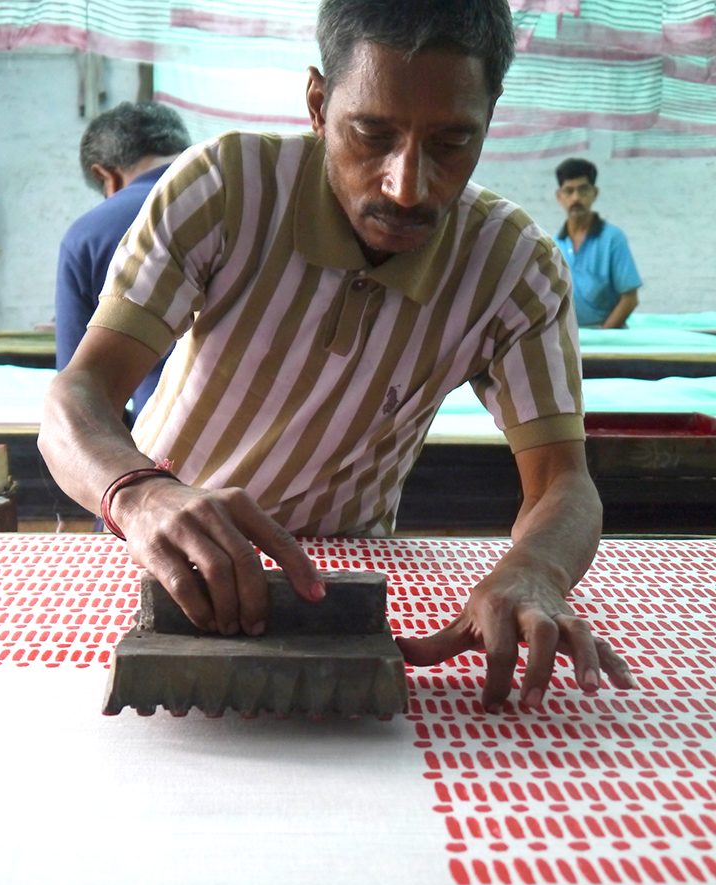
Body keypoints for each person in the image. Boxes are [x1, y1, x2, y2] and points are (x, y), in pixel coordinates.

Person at [39, 0, 635, 713]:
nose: (407, 186)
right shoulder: (227, 189)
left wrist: (535, 567)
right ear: (318, 104)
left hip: (344, 577)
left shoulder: (514, 268)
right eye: (371, 133)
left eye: (451, 143)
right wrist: (140, 494)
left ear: (490, 114)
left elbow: (564, 484)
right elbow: (76, 398)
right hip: (162, 552)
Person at [54, 101, 191, 418]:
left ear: (106, 176)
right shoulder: (253, 196)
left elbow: (80, 393)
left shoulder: (88, 235)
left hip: (169, 443)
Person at [554, 157, 641, 329]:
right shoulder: (555, 246)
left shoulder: (612, 239)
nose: (576, 198)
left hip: (607, 342)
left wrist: (602, 336)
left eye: (583, 190)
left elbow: (630, 299)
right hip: (569, 342)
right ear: (559, 196)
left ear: (595, 193)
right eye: (569, 191)